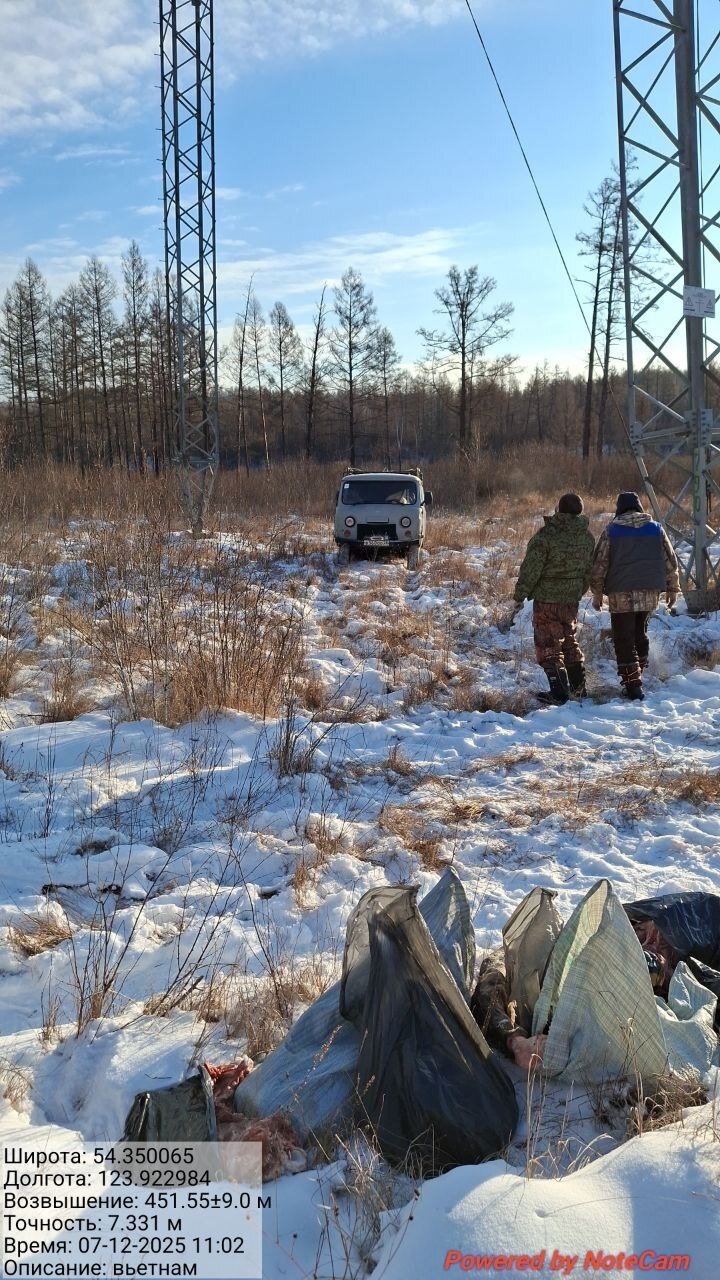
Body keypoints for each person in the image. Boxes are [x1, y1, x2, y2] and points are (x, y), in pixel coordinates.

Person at [589, 492, 680, 701]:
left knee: (623, 638)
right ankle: (638, 674)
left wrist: (596, 593)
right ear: (639, 507)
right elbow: (670, 561)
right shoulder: (656, 529)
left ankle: (633, 686)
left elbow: (599, 565)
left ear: (619, 508)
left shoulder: (612, 531)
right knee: (640, 632)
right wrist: (673, 589)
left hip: (621, 592)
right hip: (650, 592)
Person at [512, 493, 595, 705]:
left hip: (547, 600)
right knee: (569, 641)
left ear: (558, 509)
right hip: (571, 600)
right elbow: (589, 571)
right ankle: (578, 689)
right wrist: (577, 590)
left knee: (548, 646)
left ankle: (559, 694)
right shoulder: (586, 537)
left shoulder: (546, 536)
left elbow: (531, 568)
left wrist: (520, 593)